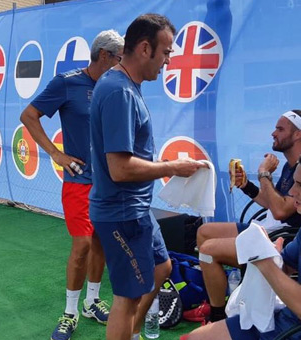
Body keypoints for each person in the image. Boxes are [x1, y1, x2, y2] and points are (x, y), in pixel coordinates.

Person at [88, 14, 205, 340]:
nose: (168, 61)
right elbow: (120, 168)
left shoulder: (124, 86)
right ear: (144, 48)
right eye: (166, 52)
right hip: (122, 213)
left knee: (162, 268)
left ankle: (133, 333)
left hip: (135, 210)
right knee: (127, 298)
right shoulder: (119, 93)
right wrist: (171, 167)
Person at [186, 146, 301, 340]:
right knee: (193, 338)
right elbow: (284, 264)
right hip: (285, 322)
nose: (292, 192)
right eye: (294, 183)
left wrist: (263, 260)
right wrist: (268, 252)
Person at [20, 30, 124, 340]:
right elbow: (29, 115)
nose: (121, 63)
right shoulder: (67, 82)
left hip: (108, 181)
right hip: (79, 180)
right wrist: (56, 153)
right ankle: (70, 312)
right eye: (118, 58)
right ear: (103, 55)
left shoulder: (116, 86)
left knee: (101, 242)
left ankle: (93, 301)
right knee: (81, 246)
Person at [192, 110, 301, 323]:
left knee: (208, 250)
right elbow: (273, 202)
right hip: (270, 228)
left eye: (280, 129)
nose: (273, 133)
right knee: (204, 232)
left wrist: (264, 173)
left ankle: (218, 317)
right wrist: (247, 186)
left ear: (298, 135)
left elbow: (280, 211)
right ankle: (215, 299)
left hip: (282, 239)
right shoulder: (291, 166)